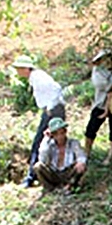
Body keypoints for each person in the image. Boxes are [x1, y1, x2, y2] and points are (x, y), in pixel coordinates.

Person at [12, 55, 66, 187]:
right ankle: (42, 174)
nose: (18, 71)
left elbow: (57, 89)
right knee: (49, 142)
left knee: (39, 142)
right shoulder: (35, 77)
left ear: (26, 68)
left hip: (53, 111)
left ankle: (31, 177)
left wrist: (50, 107)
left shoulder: (37, 77)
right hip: (52, 110)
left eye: (19, 68)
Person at [84, 50, 112, 166]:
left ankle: (110, 155)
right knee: (91, 129)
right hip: (100, 104)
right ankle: (86, 154)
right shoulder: (97, 73)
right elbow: (111, 87)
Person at [35, 117, 88, 192]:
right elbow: (42, 159)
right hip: (54, 172)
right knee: (38, 166)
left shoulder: (73, 143)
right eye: (56, 134)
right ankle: (50, 188)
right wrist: (46, 139)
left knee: (81, 166)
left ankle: (70, 186)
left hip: (68, 172)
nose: (60, 136)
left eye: (62, 133)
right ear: (52, 135)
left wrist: (80, 162)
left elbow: (81, 156)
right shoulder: (48, 145)